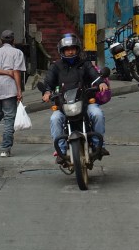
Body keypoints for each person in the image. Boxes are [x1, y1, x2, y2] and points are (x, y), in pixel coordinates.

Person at [38, 32, 109, 164]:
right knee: (55, 119)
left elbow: (95, 75)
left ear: (77, 49)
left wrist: (101, 83)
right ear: (62, 51)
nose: (70, 52)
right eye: (67, 49)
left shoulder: (85, 64)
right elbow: (48, 82)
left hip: (85, 102)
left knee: (97, 114)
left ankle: (99, 145)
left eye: (73, 49)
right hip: (63, 104)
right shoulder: (56, 66)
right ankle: (61, 151)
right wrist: (47, 92)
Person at [0, 29, 26, 157]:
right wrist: (19, 90)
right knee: (9, 118)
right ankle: (5, 149)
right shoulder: (17, 53)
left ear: (0, 41)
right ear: (13, 41)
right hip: (9, 88)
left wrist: (4, 72)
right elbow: (16, 72)